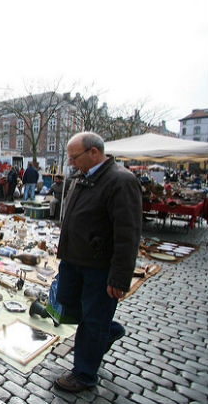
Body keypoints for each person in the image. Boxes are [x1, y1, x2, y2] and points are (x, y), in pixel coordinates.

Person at [54, 132, 142, 392]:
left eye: (74, 156)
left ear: (94, 152)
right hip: (73, 260)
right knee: (68, 306)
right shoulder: (81, 177)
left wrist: (119, 277)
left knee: (92, 320)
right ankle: (107, 328)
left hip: (98, 266)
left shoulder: (121, 181)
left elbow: (128, 234)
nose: (70, 162)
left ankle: (84, 374)